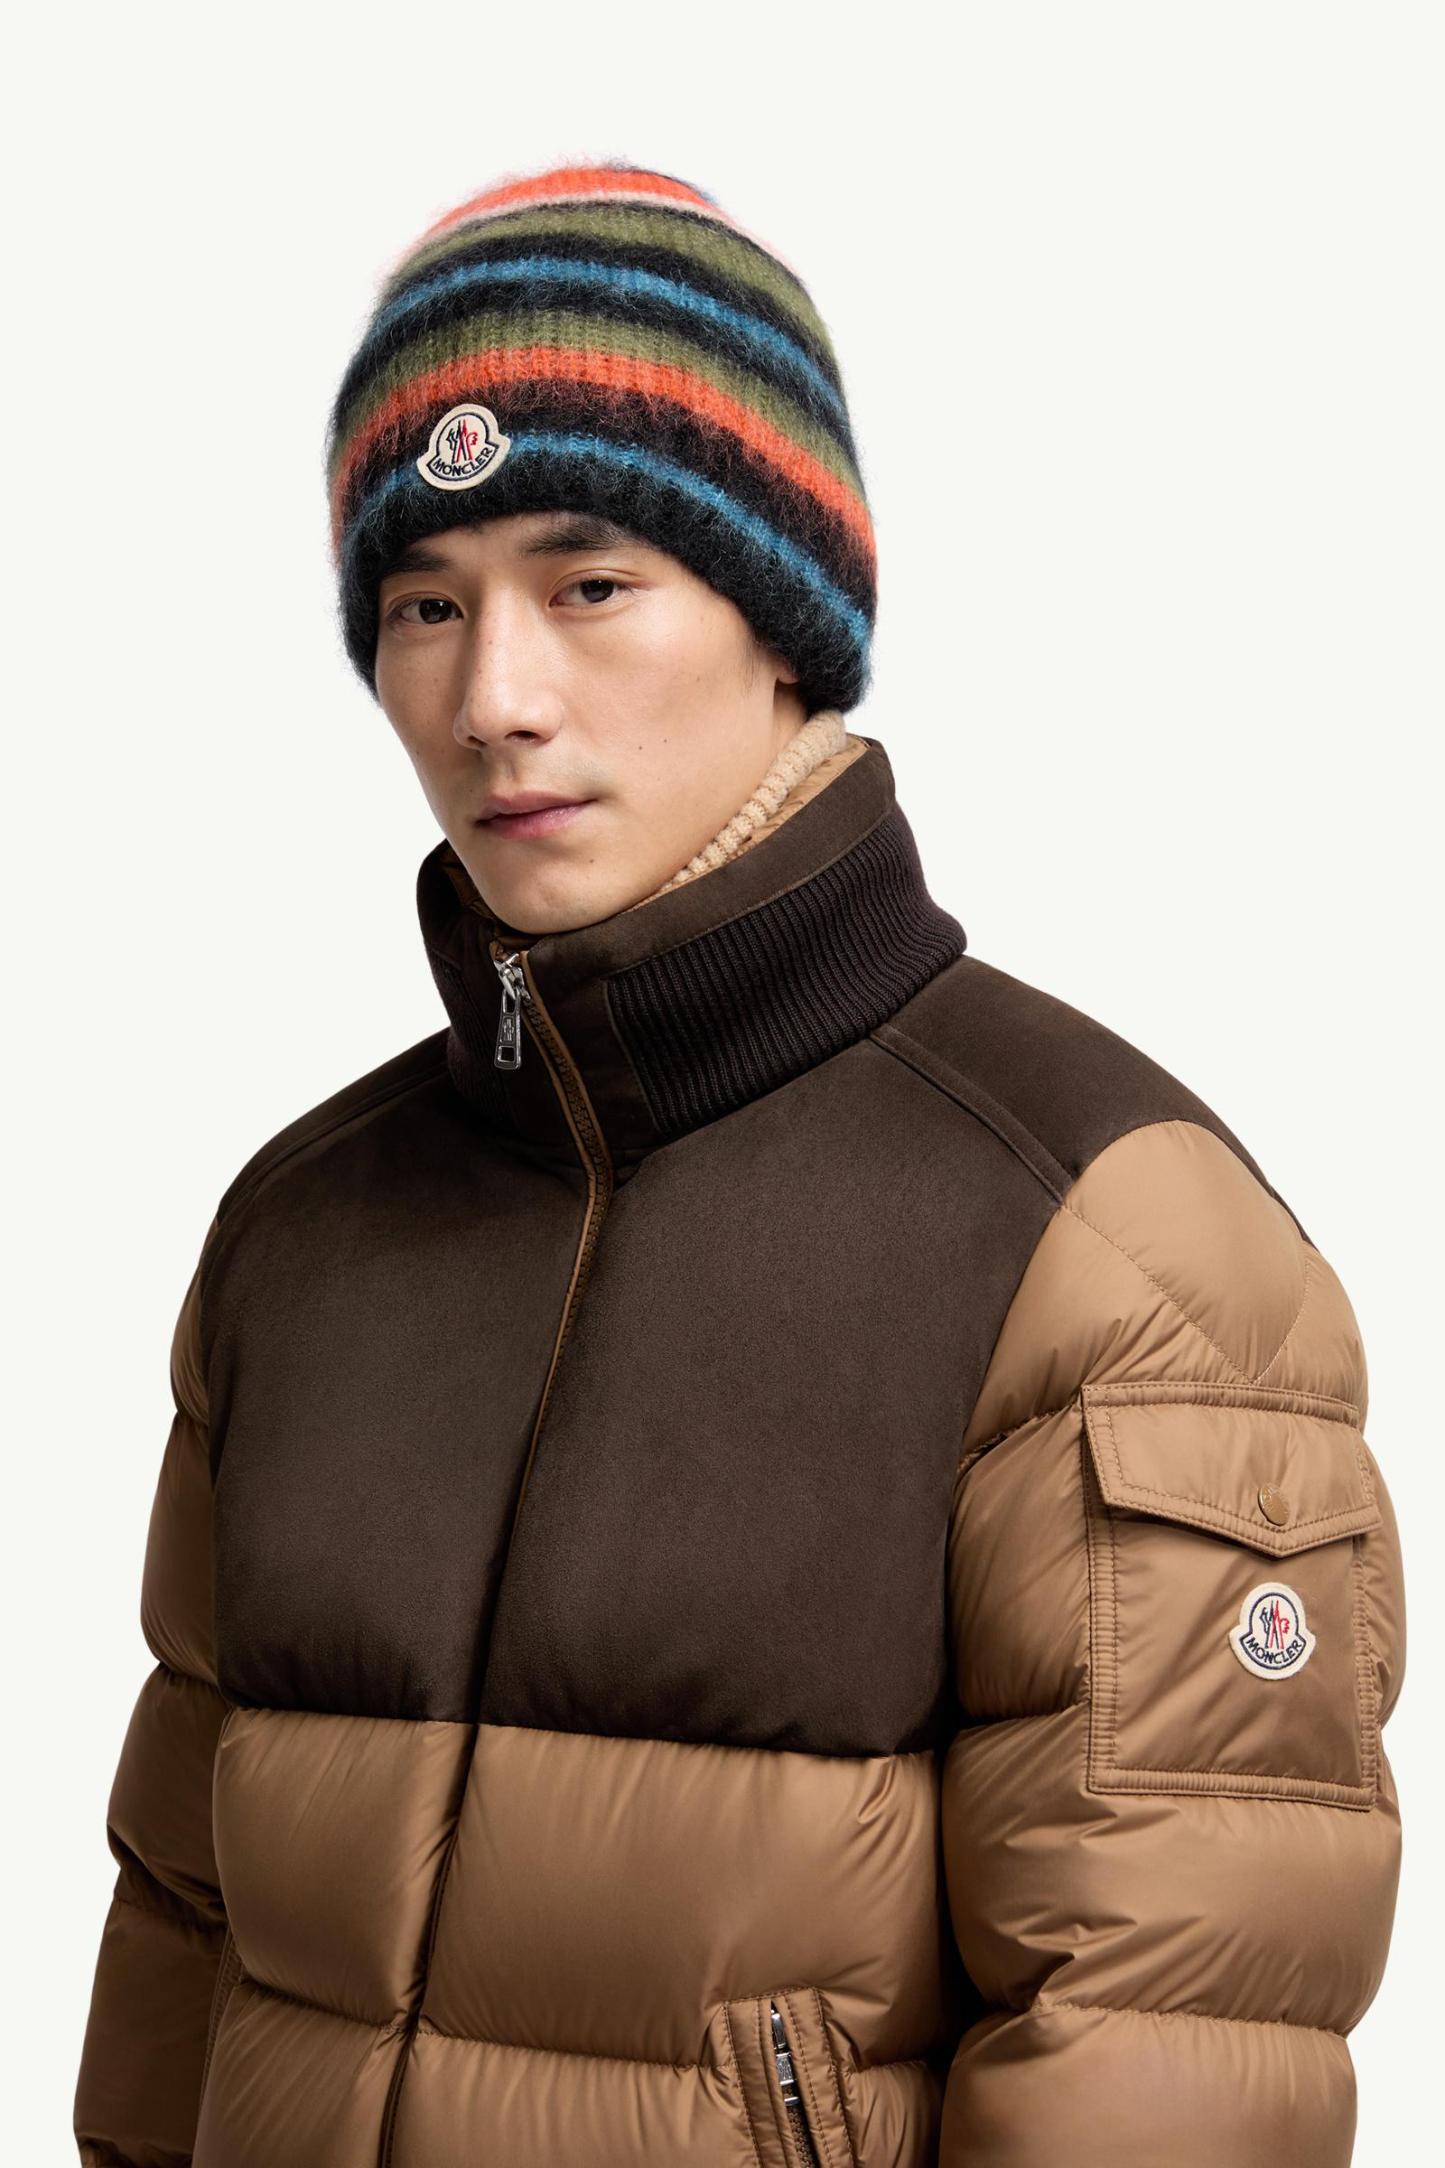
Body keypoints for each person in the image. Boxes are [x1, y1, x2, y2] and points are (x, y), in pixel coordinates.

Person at [73, 158, 1405, 2168]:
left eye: (588, 584)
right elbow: (181, 1939)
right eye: (424, 606)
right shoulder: (303, 1231)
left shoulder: (1108, 1245)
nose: (492, 699)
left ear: (780, 620)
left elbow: (1159, 2050)